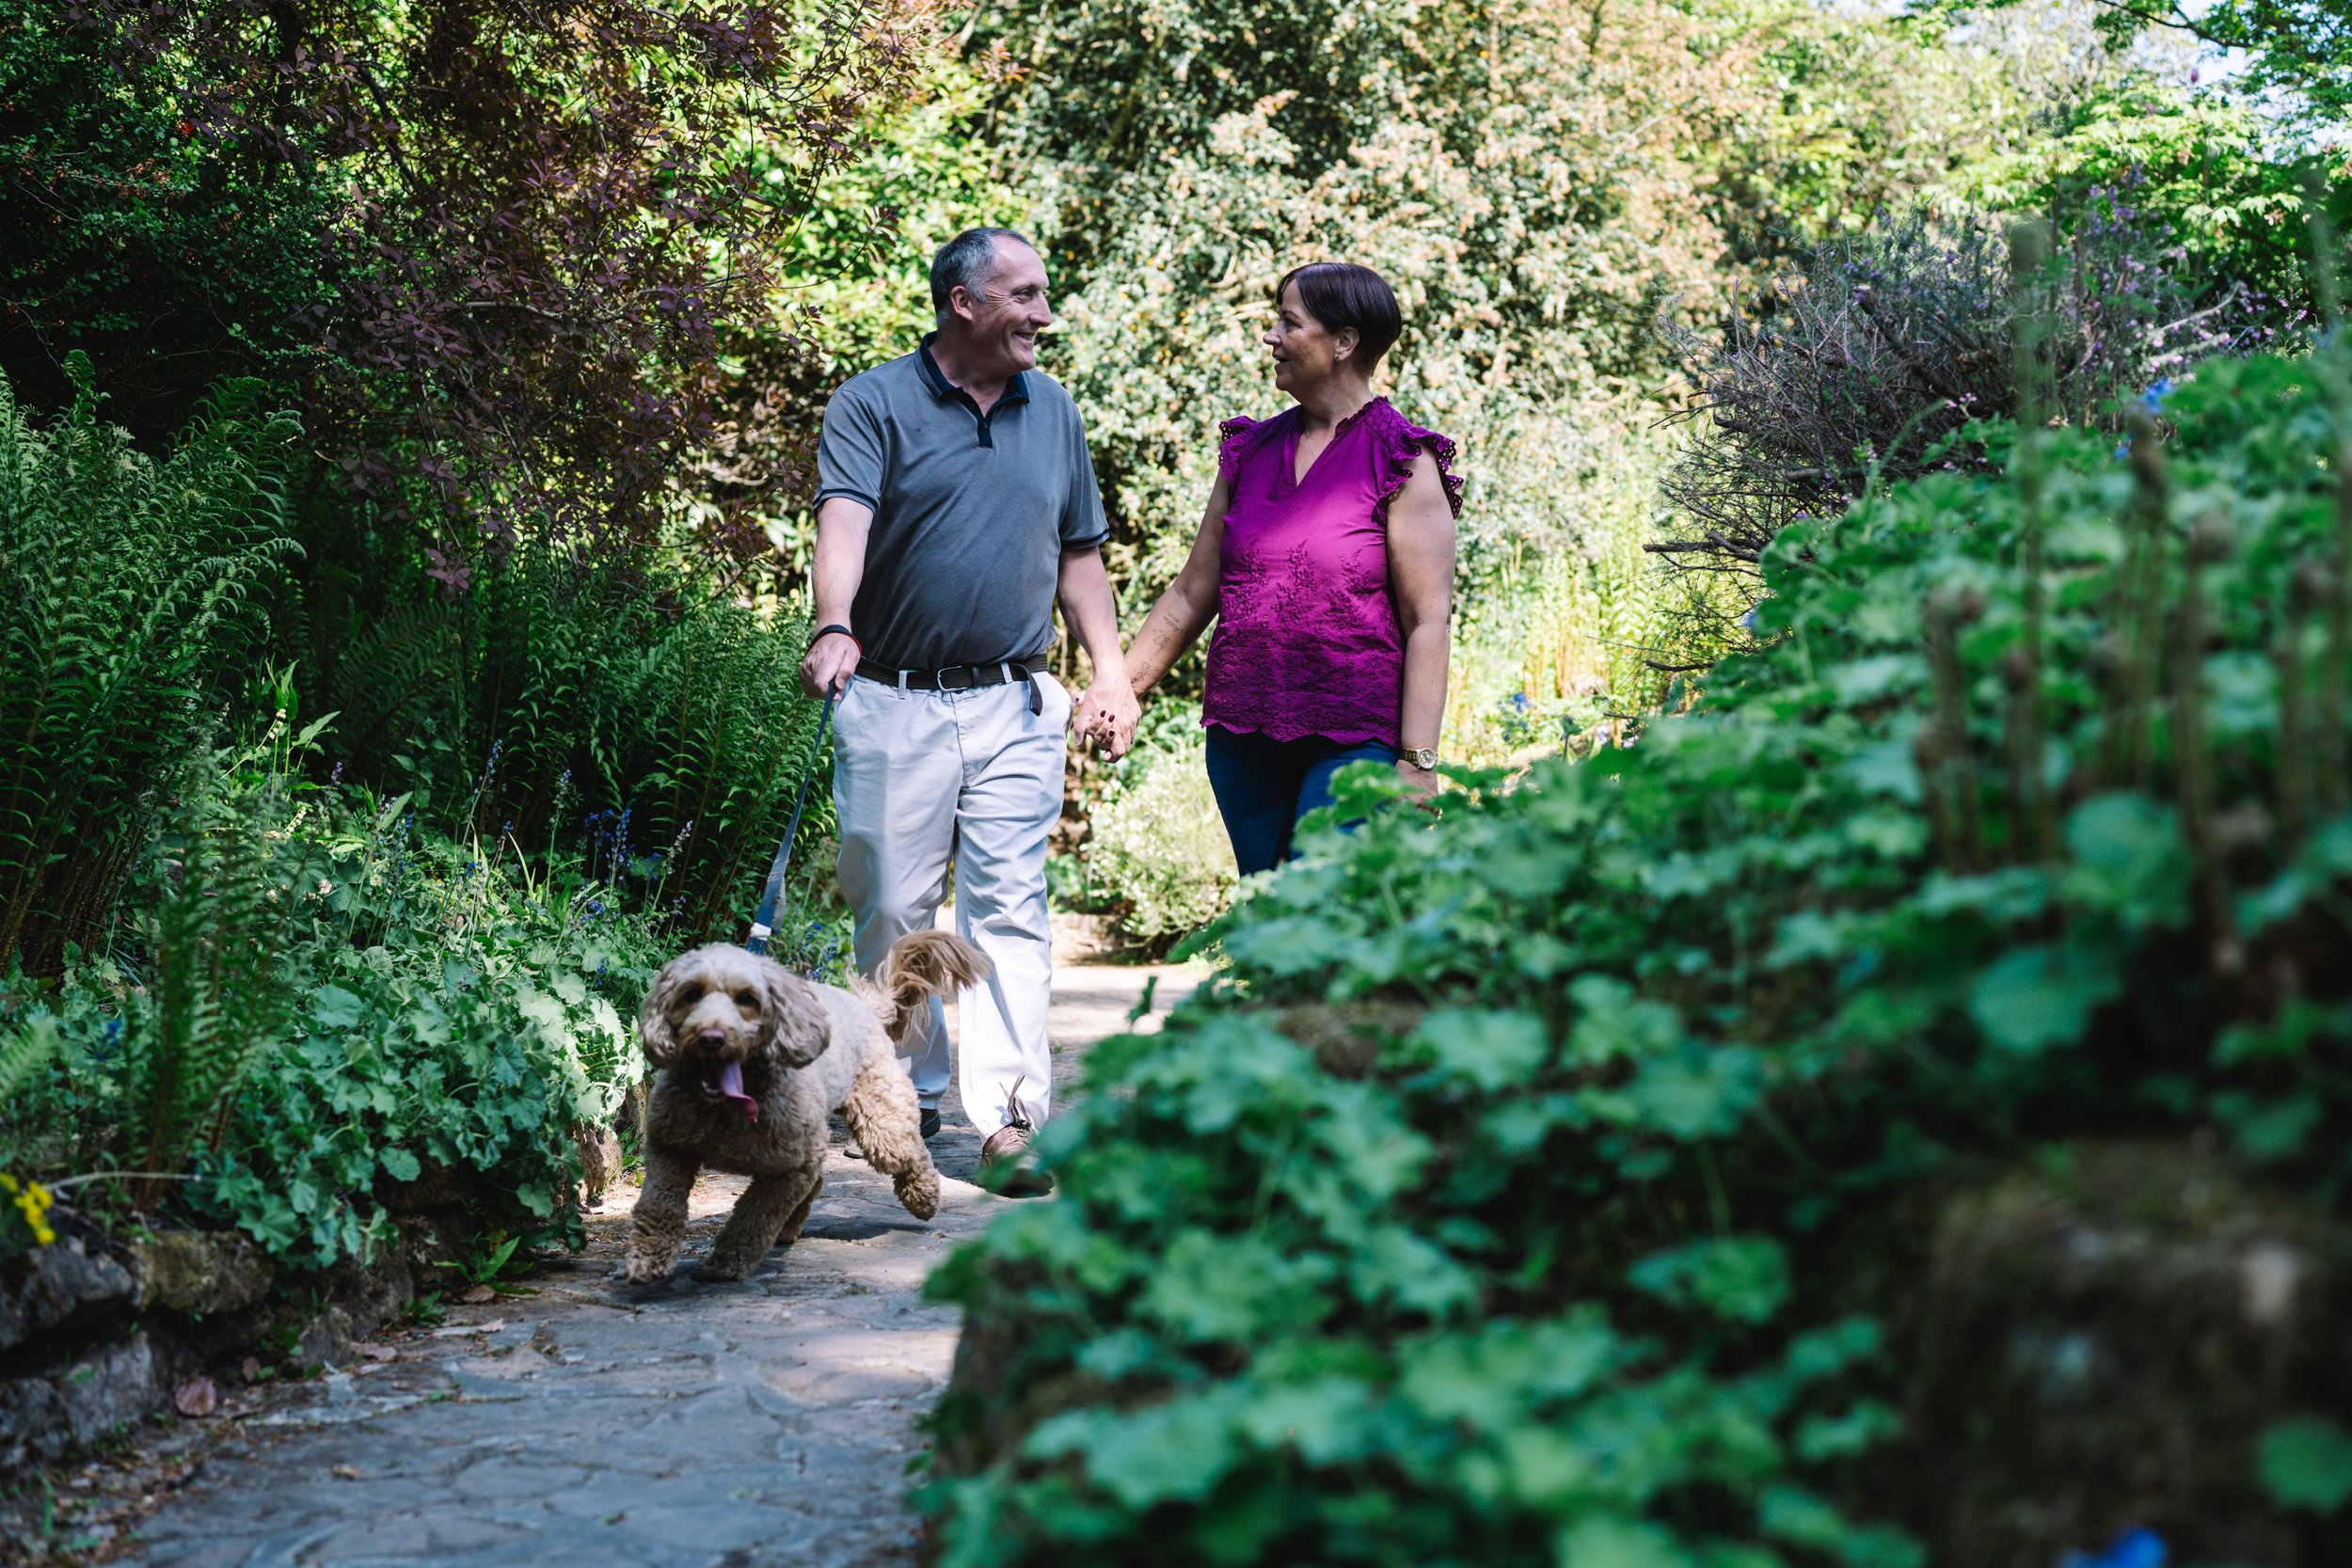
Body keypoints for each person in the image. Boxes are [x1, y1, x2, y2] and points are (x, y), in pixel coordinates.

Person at [799, 227, 1136, 1192]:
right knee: (889, 906)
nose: (1044, 315)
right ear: (964, 303)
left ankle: (1011, 1120)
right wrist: (833, 622)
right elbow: (844, 519)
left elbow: (1080, 553)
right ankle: (911, 1090)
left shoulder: (1053, 409)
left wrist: (1109, 672)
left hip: (1014, 699)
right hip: (892, 696)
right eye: (1024, 296)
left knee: (1010, 911)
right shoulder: (874, 402)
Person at [1099, 261, 1461, 873]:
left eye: (1289, 323)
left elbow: (1429, 621)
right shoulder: (1248, 452)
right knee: (1267, 907)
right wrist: (1121, 690)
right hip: (1243, 742)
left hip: (1355, 738)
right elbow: (1192, 592)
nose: (1270, 336)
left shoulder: (1403, 460)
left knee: (1322, 902)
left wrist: (1418, 761)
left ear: (1344, 342)